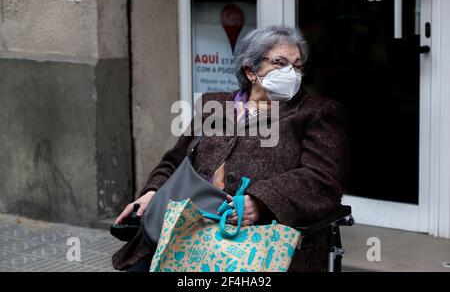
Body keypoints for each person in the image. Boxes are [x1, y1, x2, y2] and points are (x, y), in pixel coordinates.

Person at [112, 25, 349, 272]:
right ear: (250, 71)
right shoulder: (213, 105)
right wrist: (153, 192)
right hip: (187, 229)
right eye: (280, 63)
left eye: (297, 66)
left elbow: (323, 180)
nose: (292, 72)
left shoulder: (317, 113)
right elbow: (175, 160)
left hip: (254, 245)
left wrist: (261, 202)